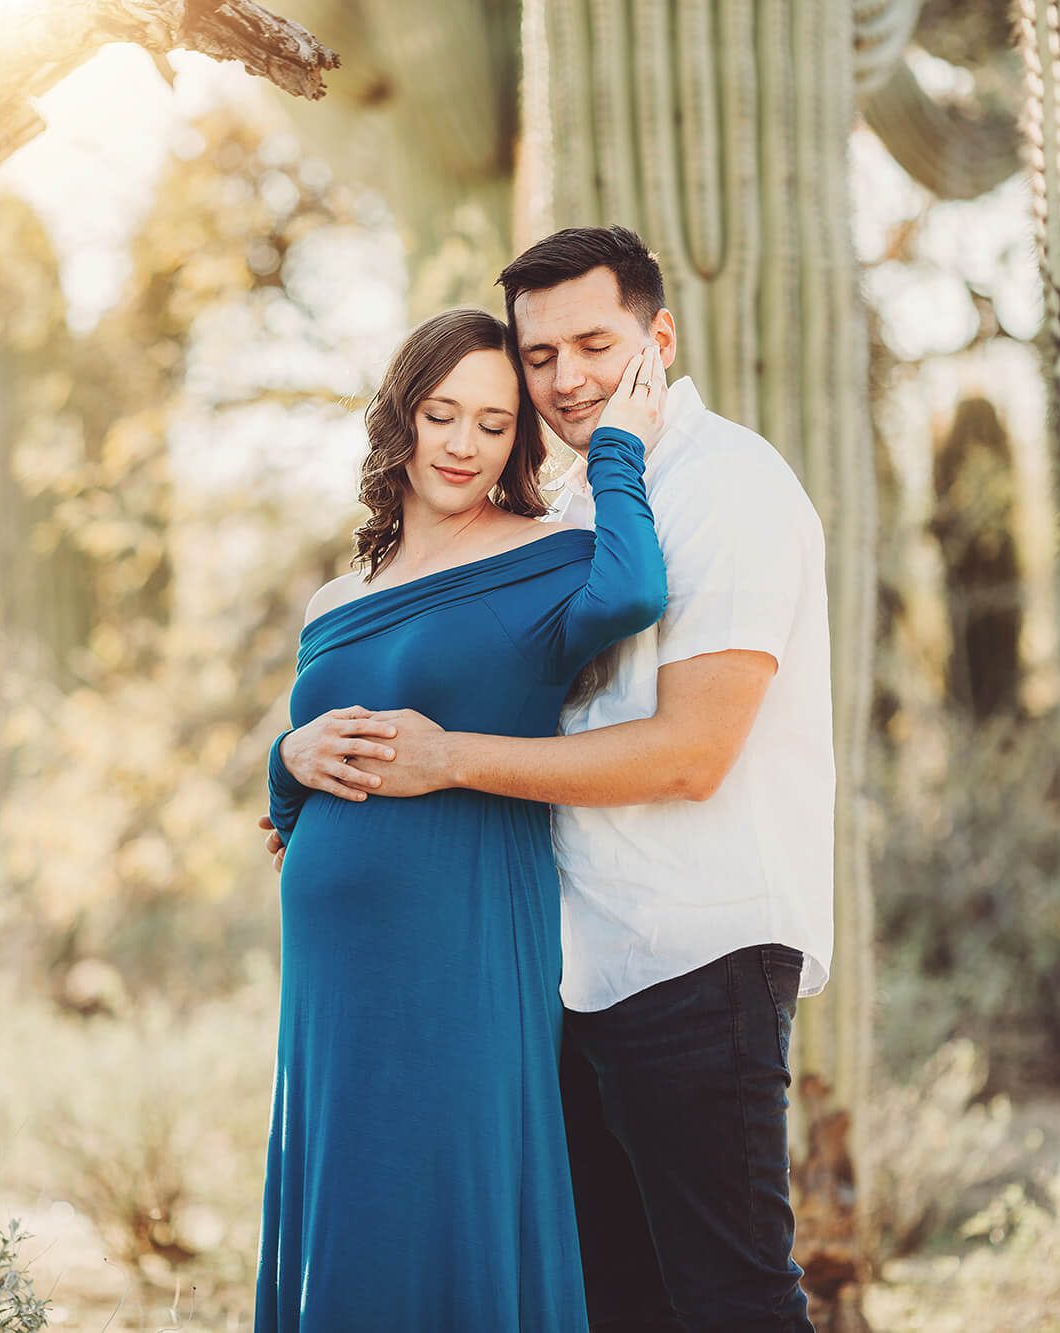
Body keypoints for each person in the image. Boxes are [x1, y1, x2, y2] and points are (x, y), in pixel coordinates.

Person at [269, 226, 834, 1331]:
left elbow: (689, 753)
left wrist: (446, 759)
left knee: (731, 1299)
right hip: (570, 969)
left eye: (594, 342)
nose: (566, 377)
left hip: (696, 952)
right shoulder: (564, 508)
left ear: (655, 338)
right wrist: (291, 753)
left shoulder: (729, 486)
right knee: (617, 1301)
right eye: (541, 356)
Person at [252, 305, 669, 1330]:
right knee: (348, 1184)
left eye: (492, 424)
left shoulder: (544, 558)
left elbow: (632, 591)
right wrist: (283, 759)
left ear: (516, 441)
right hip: (334, 967)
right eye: (442, 415)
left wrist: (617, 451)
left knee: (446, 1170)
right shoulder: (332, 598)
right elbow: (303, 770)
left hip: (465, 933)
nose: (463, 444)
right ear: (401, 420)